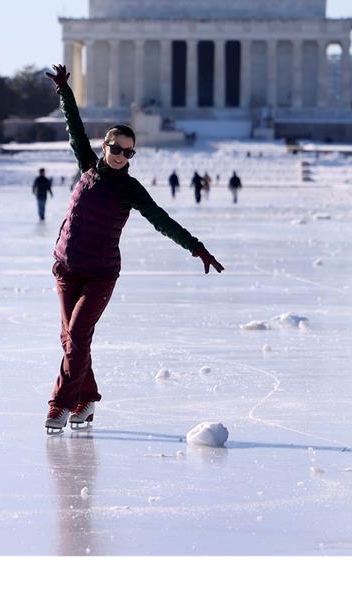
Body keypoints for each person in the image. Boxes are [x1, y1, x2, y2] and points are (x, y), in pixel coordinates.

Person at [41, 64, 223, 434]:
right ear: (105, 146)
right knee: (71, 340)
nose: (122, 155)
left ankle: (60, 405)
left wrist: (196, 247)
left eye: (129, 151)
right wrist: (64, 90)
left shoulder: (130, 189)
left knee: (76, 338)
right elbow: (75, 128)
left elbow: (161, 220)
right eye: (117, 148)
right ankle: (87, 400)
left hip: (100, 275)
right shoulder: (87, 167)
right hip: (65, 267)